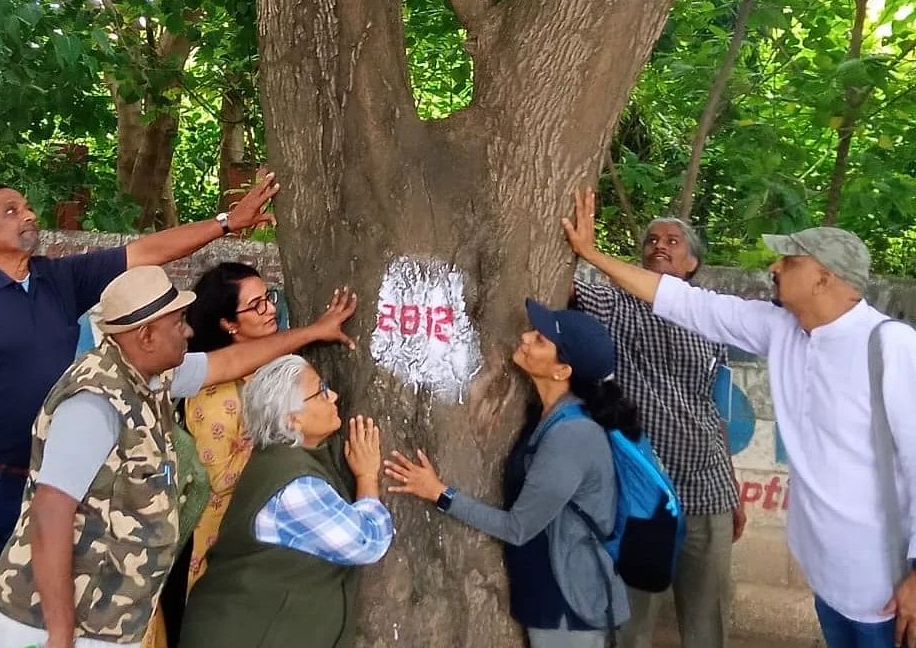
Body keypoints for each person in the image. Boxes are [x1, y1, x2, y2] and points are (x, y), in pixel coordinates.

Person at [0, 173, 279, 648]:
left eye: (27, 205)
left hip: (43, 486)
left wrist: (226, 223)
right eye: (10, 211)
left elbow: (145, 253)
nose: (28, 214)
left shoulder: (58, 280)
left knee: (8, 627)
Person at [563, 188, 916, 648]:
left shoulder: (890, 347)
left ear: (824, 279)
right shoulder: (784, 331)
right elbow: (690, 304)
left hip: (888, 589)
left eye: (789, 263)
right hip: (829, 579)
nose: (773, 269)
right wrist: (590, 254)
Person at [0, 267, 360, 648]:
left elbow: (228, 362)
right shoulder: (94, 405)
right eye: (178, 323)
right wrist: (60, 633)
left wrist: (313, 331)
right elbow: (50, 514)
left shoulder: (150, 374)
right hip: (48, 624)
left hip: (105, 619)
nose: (189, 331)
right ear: (146, 335)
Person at [385, 299, 633, 648]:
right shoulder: (548, 416)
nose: (526, 336)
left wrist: (440, 493)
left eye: (541, 341)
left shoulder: (572, 435)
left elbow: (518, 528)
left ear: (562, 371)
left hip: (567, 607)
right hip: (549, 597)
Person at [572, 216, 743, 648]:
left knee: (709, 618)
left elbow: (714, 406)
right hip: (642, 491)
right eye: (650, 240)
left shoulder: (711, 320)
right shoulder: (613, 306)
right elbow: (565, 288)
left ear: (693, 262)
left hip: (709, 490)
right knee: (631, 621)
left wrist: (733, 488)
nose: (658, 245)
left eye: (672, 240)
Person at [178, 355, 393, 648]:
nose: (334, 396)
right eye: (321, 391)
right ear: (292, 418)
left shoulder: (282, 458)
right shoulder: (292, 488)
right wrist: (367, 476)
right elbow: (367, 542)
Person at [144, 262, 282, 648]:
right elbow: (218, 477)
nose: (269, 309)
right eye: (255, 305)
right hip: (211, 537)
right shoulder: (215, 394)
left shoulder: (267, 367)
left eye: (268, 299)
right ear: (228, 324)